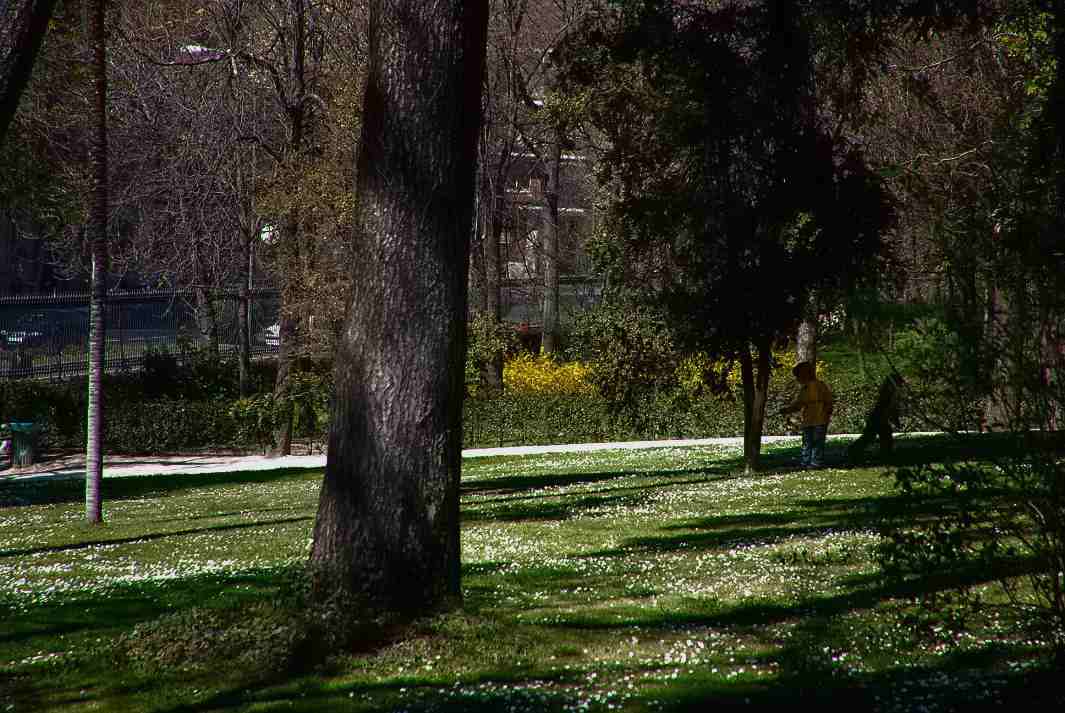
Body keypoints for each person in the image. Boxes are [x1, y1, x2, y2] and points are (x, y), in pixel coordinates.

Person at [777, 361, 834, 469]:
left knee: (816, 442)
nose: (797, 379)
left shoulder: (819, 386)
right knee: (808, 442)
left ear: (805, 375)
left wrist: (827, 412)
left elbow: (828, 401)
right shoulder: (806, 388)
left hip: (819, 419)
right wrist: (788, 410)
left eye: (798, 376)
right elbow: (798, 404)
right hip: (809, 420)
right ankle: (806, 462)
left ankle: (815, 463)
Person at [847, 373, 905, 461]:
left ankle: (885, 454)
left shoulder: (890, 392)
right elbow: (890, 408)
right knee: (870, 437)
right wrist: (895, 420)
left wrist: (895, 420)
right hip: (877, 418)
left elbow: (892, 409)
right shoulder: (888, 393)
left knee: (883, 436)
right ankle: (852, 451)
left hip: (880, 418)